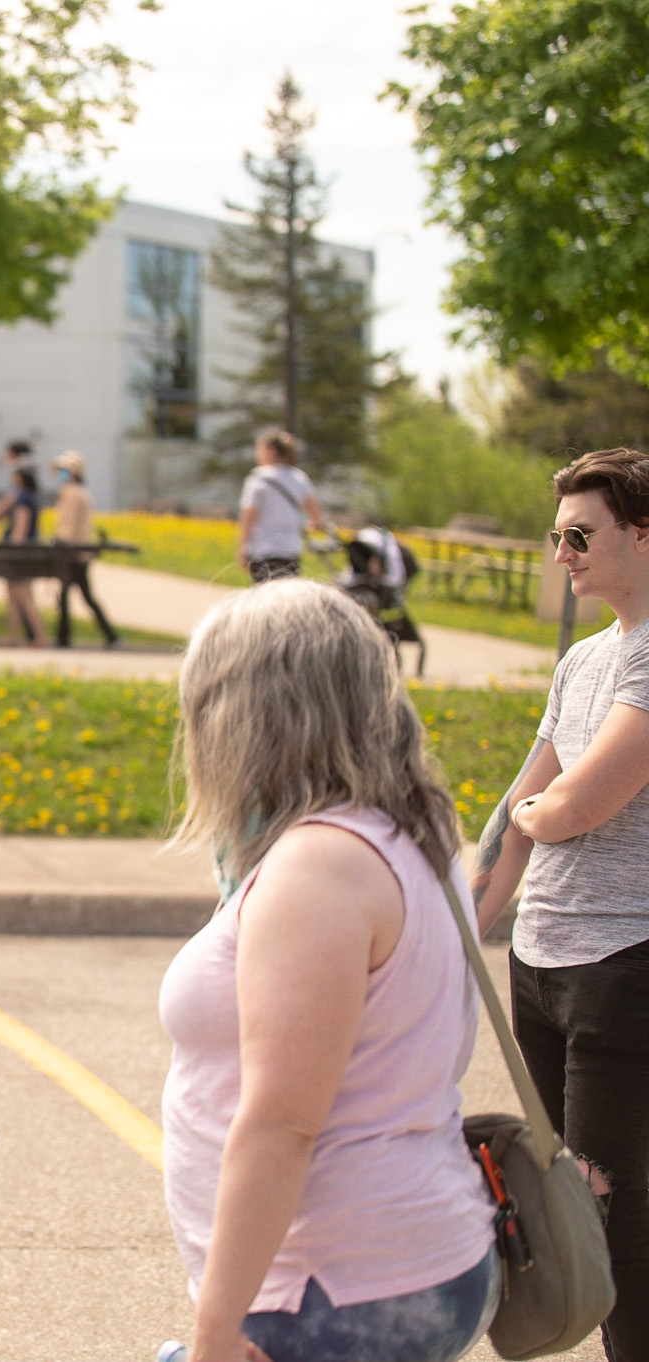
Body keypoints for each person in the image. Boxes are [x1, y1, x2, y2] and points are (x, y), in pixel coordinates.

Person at [159, 580, 498, 1362]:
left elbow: (283, 1120)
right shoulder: (407, 829)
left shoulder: (320, 867)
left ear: (252, 713)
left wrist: (215, 1331)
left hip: (331, 1283)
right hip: (396, 1259)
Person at [470, 445, 649, 1358]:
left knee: (610, 1216)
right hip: (540, 963)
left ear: (643, 533)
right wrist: (458, 932)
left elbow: (577, 803)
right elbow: (521, 807)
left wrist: (543, 814)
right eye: (554, 538)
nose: (561, 556)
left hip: (622, 967)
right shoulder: (585, 661)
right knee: (569, 1202)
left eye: (579, 535)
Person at [235, 428, 328, 583]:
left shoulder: (258, 478)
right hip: (291, 549)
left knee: (264, 597)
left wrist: (243, 547)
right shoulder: (299, 477)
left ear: (270, 451)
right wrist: (311, 526)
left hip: (263, 548)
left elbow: (249, 515)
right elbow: (315, 513)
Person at [50, 450, 120, 648]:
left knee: (70, 596)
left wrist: (62, 543)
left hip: (73, 553)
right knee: (81, 597)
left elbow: (69, 525)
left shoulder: (71, 493)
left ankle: (65, 639)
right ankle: (109, 637)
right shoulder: (80, 492)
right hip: (79, 553)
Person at [0, 464, 46, 646]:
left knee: (22, 596)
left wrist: (12, 550)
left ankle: (39, 637)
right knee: (13, 596)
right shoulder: (31, 498)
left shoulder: (23, 501)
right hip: (25, 552)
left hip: (19, 554)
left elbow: (20, 531)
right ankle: (12, 637)